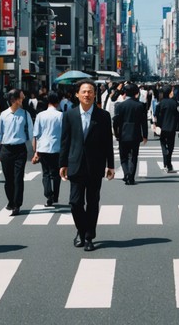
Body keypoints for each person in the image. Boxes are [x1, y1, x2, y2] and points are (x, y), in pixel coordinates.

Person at [59, 80, 115, 252]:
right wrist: (62, 163)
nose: (87, 94)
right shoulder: (69, 115)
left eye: (90, 91)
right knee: (75, 203)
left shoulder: (103, 116)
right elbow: (65, 141)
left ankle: (89, 236)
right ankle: (81, 230)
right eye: (83, 91)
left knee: (92, 202)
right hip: (75, 164)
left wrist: (110, 165)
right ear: (77, 94)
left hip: (95, 165)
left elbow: (108, 143)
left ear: (94, 94)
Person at [0, 88, 33, 216]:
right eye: (21, 97)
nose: (23, 98)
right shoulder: (4, 115)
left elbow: (32, 134)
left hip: (20, 149)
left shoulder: (26, 114)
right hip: (6, 149)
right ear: (13, 100)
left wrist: (36, 152)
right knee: (8, 179)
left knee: (18, 178)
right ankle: (10, 201)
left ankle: (17, 205)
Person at [32, 90, 63, 206]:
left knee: (45, 173)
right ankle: (55, 195)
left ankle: (48, 194)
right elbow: (65, 133)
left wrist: (35, 152)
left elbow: (36, 134)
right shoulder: (61, 115)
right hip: (57, 147)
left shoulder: (40, 115)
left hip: (43, 147)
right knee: (56, 173)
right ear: (58, 102)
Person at [113, 82, 148, 185]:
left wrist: (116, 133)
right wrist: (145, 135)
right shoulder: (140, 105)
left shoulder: (120, 105)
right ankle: (131, 177)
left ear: (125, 93)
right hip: (136, 134)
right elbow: (144, 122)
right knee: (133, 156)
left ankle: (126, 173)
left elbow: (116, 121)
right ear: (136, 93)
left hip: (123, 134)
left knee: (123, 156)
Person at [155, 86, 179, 173]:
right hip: (172, 127)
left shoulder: (160, 103)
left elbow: (156, 115)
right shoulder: (174, 103)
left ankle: (165, 164)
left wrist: (156, 125)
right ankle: (169, 164)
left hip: (162, 127)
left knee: (163, 144)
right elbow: (178, 115)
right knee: (171, 146)